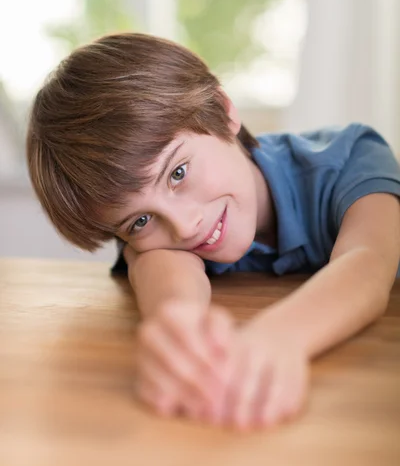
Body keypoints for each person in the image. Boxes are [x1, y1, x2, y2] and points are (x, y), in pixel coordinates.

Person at [27, 33, 400, 430]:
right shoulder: (160, 239)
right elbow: (157, 265)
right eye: (140, 220)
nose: (184, 227)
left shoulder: (351, 158)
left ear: (223, 112)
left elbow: (368, 261)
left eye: (178, 173)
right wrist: (179, 325)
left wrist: (279, 338)